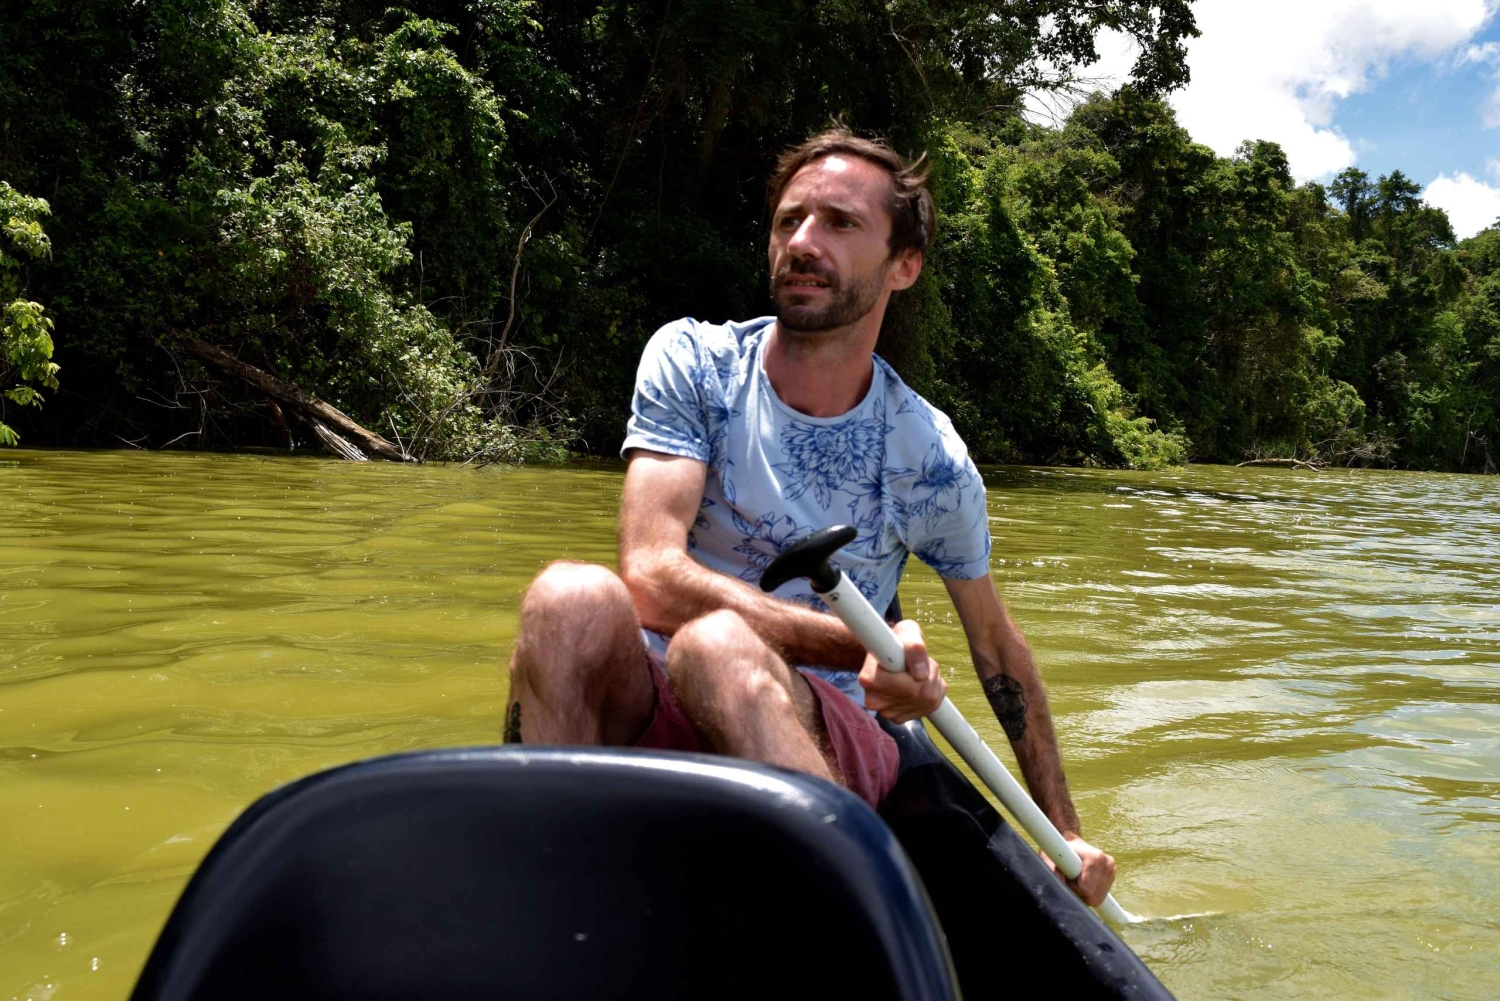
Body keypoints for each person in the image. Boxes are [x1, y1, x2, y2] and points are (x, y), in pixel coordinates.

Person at [504, 127, 1116, 906]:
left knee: (718, 646)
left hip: (825, 723)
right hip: (660, 688)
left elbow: (995, 643)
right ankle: (547, 899)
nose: (802, 241)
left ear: (905, 266)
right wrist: (863, 639)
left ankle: (838, 925)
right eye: (789, 220)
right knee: (568, 599)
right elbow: (650, 576)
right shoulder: (694, 362)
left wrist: (1061, 828)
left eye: (840, 223)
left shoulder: (926, 454)